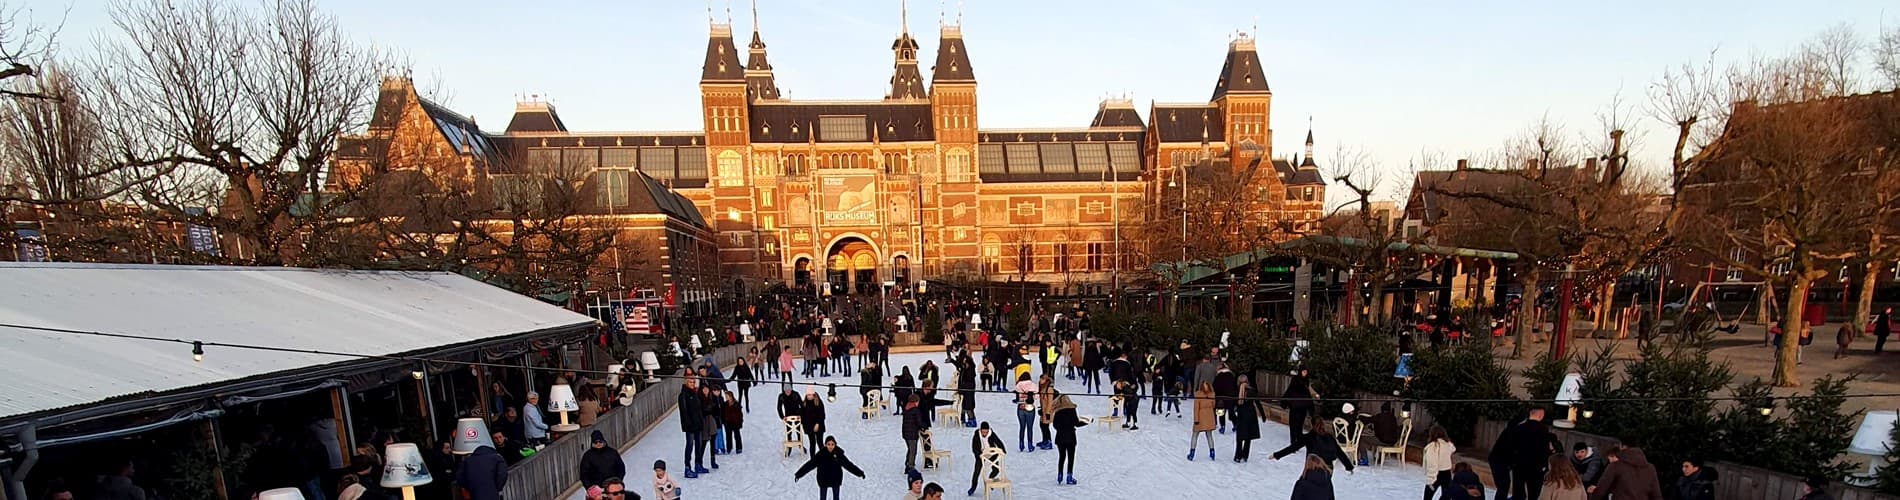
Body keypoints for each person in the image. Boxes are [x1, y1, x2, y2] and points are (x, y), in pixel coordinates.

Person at [1505, 408, 1563, 500]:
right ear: (1540, 415)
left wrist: (1512, 462)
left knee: (1518, 491)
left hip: (1519, 465)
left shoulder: (1519, 428)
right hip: (1535, 467)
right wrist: (1545, 466)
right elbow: (1544, 449)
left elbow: (1511, 446)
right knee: (1534, 493)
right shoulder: (1542, 429)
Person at [1270, 416, 1354, 473]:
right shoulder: (1329, 437)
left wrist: (1276, 455)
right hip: (1328, 468)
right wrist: (1348, 466)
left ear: (1312, 424)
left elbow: (1293, 447)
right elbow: (1339, 452)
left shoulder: (1309, 437)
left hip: (1313, 466)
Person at [792, 437, 866, 500]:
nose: (830, 446)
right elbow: (810, 464)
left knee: (836, 498)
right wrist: (799, 474)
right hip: (823, 480)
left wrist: (860, 473)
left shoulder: (839, 454)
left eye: (832, 444)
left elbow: (849, 465)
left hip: (836, 479)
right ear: (825, 445)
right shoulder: (820, 455)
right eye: (828, 444)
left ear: (835, 445)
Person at [1587, 446, 1661, 500]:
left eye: (1612, 456)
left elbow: (1600, 492)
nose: (1610, 460)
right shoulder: (1650, 468)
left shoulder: (1616, 466)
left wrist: (1593, 494)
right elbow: (1656, 495)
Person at [1051, 392, 1087, 485]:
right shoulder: (1072, 410)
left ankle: (1060, 475)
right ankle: (1069, 476)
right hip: (1071, 437)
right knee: (1071, 457)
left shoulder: (1057, 411)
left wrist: (1060, 429)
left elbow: (1055, 425)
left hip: (1060, 437)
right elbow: (1076, 423)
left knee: (1061, 457)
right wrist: (1086, 422)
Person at [968, 422, 1007, 495]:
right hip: (981, 454)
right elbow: (974, 448)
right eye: (983, 432)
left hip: (991, 453)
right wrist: (978, 455)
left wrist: (1003, 450)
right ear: (980, 430)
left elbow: (998, 442)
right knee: (976, 472)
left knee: (996, 469)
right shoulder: (976, 435)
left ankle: (990, 480)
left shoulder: (992, 434)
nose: (984, 434)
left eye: (986, 432)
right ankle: (973, 487)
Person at [677, 378, 707, 478]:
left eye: (694, 382)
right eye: (690, 382)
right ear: (686, 383)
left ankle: (698, 464)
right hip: (690, 426)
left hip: (698, 424)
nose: (692, 384)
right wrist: (687, 424)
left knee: (699, 445)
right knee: (690, 445)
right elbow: (684, 412)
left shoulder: (695, 393)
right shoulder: (683, 395)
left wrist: (701, 421)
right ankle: (687, 467)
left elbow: (699, 409)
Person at [1283, 367, 1317, 443]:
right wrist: (1285, 402)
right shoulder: (1295, 380)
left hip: (1302, 407)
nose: (1305, 373)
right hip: (1294, 406)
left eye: (1306, 372)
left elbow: (1308, 394)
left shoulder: (1306, 381)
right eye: (1303, 371)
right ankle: (1293, 441)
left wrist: (1311, 408)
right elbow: (1290, 391)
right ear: (1300, 372)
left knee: (1299, 425)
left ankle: (1298, 440)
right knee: (1293, 424)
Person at [1422, 426, 1456, 500]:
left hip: (1436, 474)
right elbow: (1453, 449)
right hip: (1447, 474)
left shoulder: (1432, 447)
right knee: (1446, 496)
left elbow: (1432, 463)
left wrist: (1431, 478)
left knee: (1428, 496)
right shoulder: (1448, 445)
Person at [1231, 381, 1262, 462]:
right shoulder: (1252, 391)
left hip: (1242, 416)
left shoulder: (1237, 391)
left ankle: (1238, 456)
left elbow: (1233, 404)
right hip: (1251, 415)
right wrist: (1263, 415)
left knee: (1240, 437)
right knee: (1248, 437)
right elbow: (1258, 402)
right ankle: (1245, 455)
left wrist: (1232, 415)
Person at [1188, 382, 1217, 461]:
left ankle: (1192, 453)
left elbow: (1196, 408)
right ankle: (1212, 452)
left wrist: (1196, 420)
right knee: (1209, 435)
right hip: (1209, 417)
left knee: (1195, 435)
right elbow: (1214, 405)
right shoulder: (1212, 395)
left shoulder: (1198, 395)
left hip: (1200, 417)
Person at [901, 393, 929, 474]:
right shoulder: (916, 411)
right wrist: (924, 426)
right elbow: (919, 422)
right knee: (913, 451)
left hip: (905, 433)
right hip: (912, 434)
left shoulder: (906, 409)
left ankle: (907, 464)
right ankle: (911, 466)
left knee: (910, 449)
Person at [1013, 372, 1039, 451]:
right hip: (1030, 408)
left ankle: (1021, 444)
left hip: (1021, 407)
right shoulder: (1033, 386)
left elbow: (1017, 397)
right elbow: (1037, 397)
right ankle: (1030, 445)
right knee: (1030, 427)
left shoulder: (1018, 385)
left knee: (1022, 427)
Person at [1212, 362, 1237, 433]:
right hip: (1230, 397)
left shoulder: (1218, 376)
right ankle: (1235, 424)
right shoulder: (1231, 375)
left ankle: (1222, 427)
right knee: (1231, 412)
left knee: (1221, 413)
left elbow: (1215, 387)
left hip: (1221, 398)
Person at [801, 389, 828, 456]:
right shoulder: (804, 403)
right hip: (809, 426)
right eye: (807, 395)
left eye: (809, 395)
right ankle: (812, 460)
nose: (808, 396)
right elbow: (802, 415)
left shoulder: (818, 402)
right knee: (812, 443)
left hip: (819, 425)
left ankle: (824, 458)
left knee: (820, 442)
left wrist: (818, 423)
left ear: (813, 395)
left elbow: (822, 415)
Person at [722, 390, 746, 454]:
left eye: (727, 396)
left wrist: (740, 422)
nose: (726, 397)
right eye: (725, 396)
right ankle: (729, 447)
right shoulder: (725, 404)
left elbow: (740, 415)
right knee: (728, 436)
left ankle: (739, 448)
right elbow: (723, 413)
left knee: (737, 435)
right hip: (727, 423)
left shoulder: (736, 404)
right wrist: (724, 421)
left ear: (731, 396)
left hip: (735, 423)